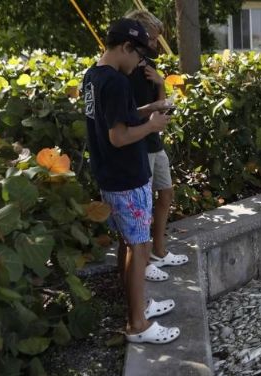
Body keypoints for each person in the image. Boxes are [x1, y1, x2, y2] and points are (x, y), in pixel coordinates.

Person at [82, 18, 179, 344]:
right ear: (125, 47)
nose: (141, 62)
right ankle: (137, 325)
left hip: (109, 175)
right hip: (127, 176)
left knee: (128, 245)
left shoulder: (94, 76)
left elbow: (118, 116)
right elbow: (119, 136)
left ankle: (138, 308)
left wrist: (150, 108)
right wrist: (152, 126)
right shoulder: (118, 82)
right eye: (139, 54)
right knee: (139, 249)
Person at [124, 9, 189, 269]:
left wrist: (161, 82)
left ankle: (159, 251)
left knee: (166, 194)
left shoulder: (150, 66)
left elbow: (159, 105)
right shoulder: (125, 69)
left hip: (154, 141)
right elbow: (126, 115)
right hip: (138, 143)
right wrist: (151, 116)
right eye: (151, 39)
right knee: (142, 205)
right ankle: (142, 261)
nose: (154, 44)